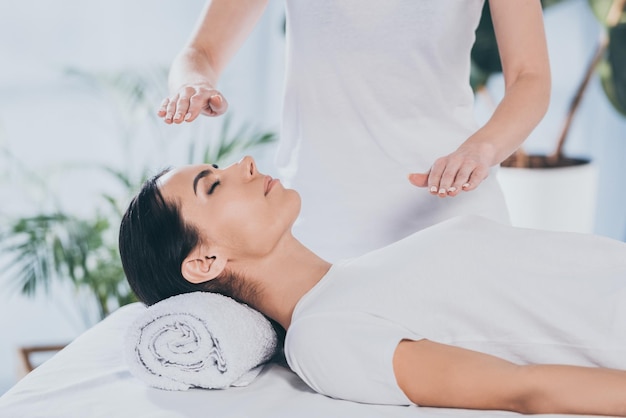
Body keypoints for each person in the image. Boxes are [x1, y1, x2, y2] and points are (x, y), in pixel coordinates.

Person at [119, 156, 626, 415]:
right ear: (206, 260)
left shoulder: (357, 276)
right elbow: (523, 390)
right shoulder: (322, 338)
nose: (244, 164)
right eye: (213, 184)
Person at [156, 1, 551, 261]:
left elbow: (530, 77)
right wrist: (193, 83)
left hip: (452, 212)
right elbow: (201, 52)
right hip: (321, 229)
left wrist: (481, 150)